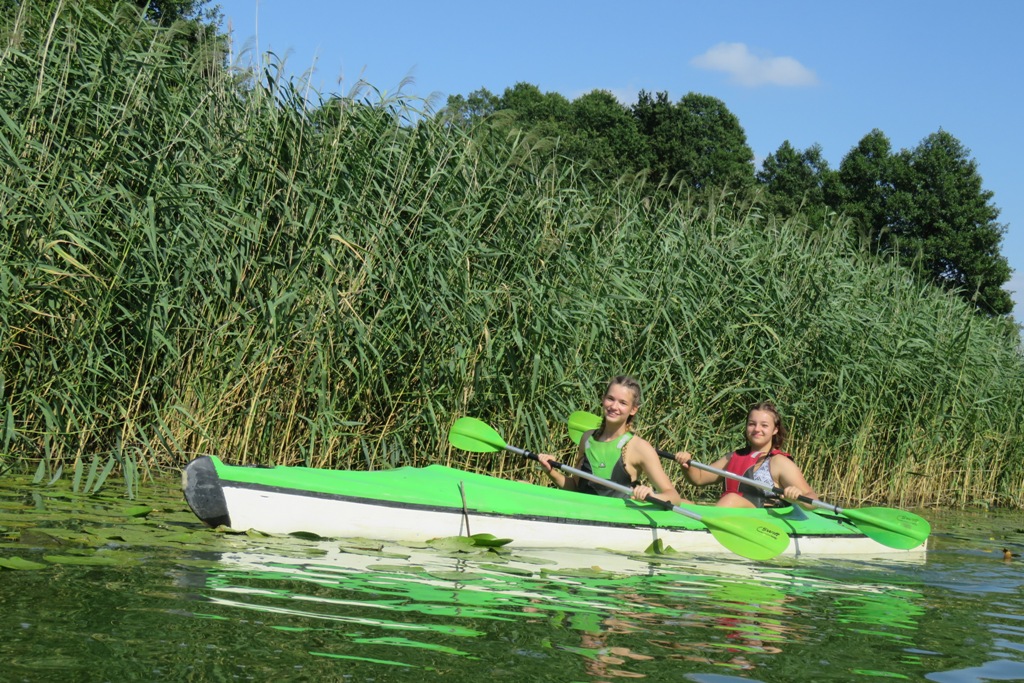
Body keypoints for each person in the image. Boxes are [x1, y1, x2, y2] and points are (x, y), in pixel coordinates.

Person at [536, 375, 686, 505]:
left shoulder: (639, 447)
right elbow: (575, 486)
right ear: (603, 400)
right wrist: (551, 472)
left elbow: (673, 497)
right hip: (583, 514)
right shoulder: (587, 438)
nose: (614, 406)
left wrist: (652, 495)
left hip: (619, 522)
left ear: (633, 410)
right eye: (610, 399)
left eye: (623, 403)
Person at [674, 401, 817, 508]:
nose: (757, 429)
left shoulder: (779, 462)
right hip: (730, 513)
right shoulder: (733, 457)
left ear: (775, 430)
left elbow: (812, 499)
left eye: (764, 425)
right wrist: (687, 464)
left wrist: (797, 496)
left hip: (763, 521)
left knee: (731, 499)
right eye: (752, 424)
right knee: (677, 501)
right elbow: (699, 478)